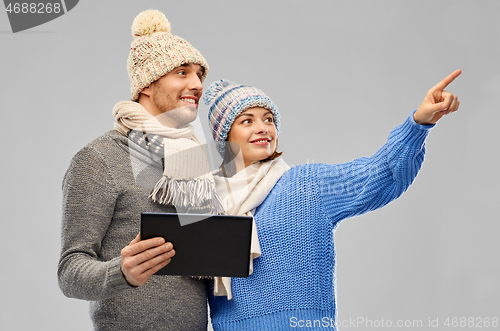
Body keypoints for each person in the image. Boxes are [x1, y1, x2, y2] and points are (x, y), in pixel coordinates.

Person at [203, 71, 461, 330]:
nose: (263, 127)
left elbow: (382, 173)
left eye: (268, 119)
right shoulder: (202, 202)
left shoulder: (305, 184)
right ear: (225, 138)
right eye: (247, 121)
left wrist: (418, 124)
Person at [58, 9, 219, 330]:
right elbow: (69, 272)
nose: (197, 84)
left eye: (200, 74)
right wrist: (121, 272)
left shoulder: (193, 160)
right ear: (147, 84)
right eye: (182, 72)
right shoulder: (99, 157)